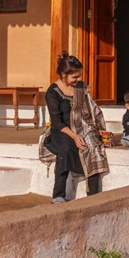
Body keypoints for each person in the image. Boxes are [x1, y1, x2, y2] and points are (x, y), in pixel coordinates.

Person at [44, 53, 109, 203]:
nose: (78, 79)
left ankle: (93, 194)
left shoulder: (81, 87)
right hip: (62, 130)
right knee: (66, 148)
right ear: (63, 75)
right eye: (74, 77)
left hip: (83, 126)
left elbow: (90, 109)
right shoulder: (52, 92)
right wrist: (74, 136)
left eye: (79, 76)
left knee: (92, 145)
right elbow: (56, 121)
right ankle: (58, 195)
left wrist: (95, 130)